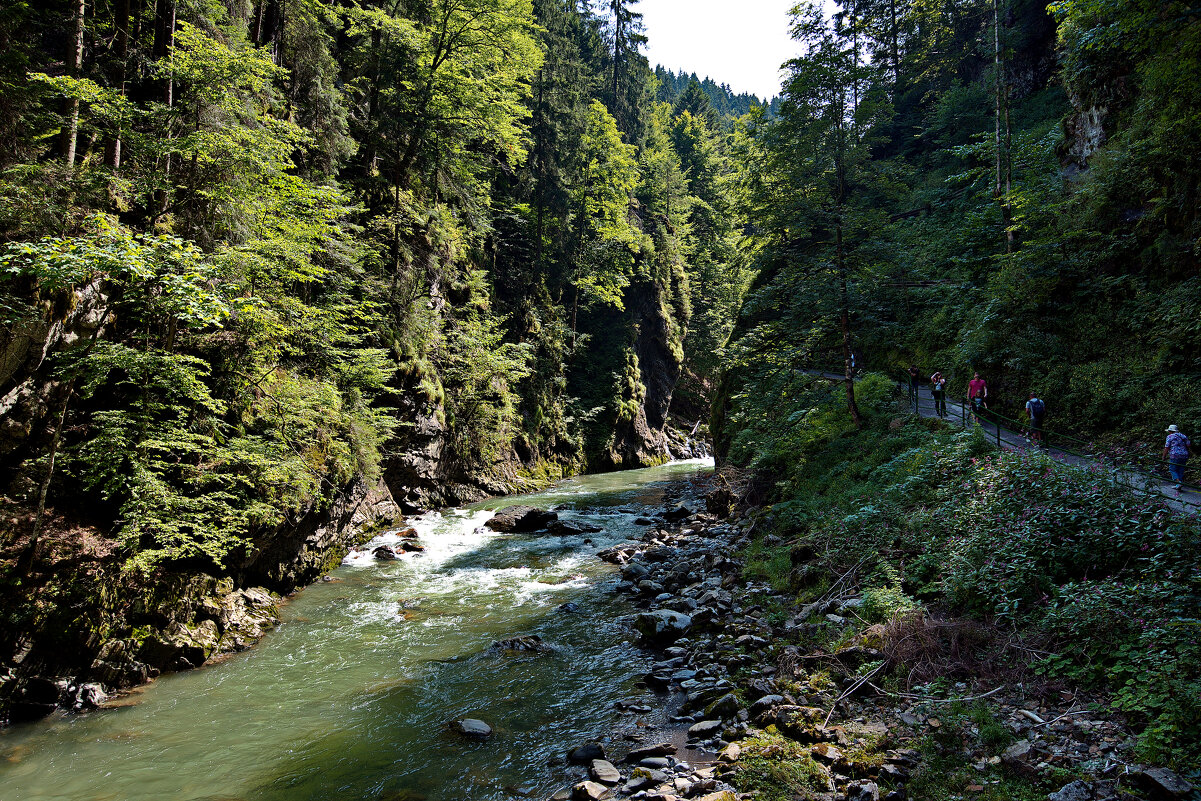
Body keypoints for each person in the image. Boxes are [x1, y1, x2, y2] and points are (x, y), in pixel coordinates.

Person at [1162, 424, 1192, 490]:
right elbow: (1188, 445)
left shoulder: (1170, 437)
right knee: (1180, 469)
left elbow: (1167, 447)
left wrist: (1163, 456)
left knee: (1172, 469)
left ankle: (1179, 482)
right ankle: (1178, 485)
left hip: (1174, 455)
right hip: (1184, 455)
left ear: (1170, 431)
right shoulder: (1183, 436)